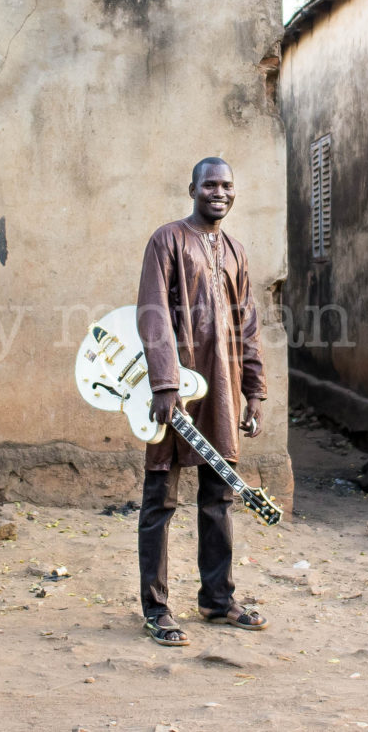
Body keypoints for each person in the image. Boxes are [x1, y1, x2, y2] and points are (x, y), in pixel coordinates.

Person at [134, 157, 268, 645]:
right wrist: (165, 384)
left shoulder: (235, 251)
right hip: (175, 393)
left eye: (228, 185)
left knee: (219, 497)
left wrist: (253, 390)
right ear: (192, 188)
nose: (220, 192)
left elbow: (248, 325)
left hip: (224, 390)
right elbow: (151, 312)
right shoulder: (166, 240)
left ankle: (217, 600)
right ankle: (157, 609)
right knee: (160, 499)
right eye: (210, 184)